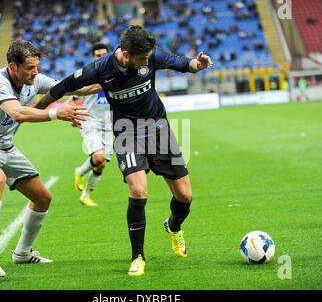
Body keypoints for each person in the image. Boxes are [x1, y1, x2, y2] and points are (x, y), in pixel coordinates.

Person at [34, 25, 213, 276]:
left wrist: (198, 64)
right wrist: (38, 109)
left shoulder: (150, 56)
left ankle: (173, 226)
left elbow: (182, 64)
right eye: (142, 59)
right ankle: (138, 256)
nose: (147, 62)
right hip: (126, 132)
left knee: (185, 196)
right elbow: (63, 86)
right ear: (126, 55)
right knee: (138, 190)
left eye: (149, 58)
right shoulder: (100, 68)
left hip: (159, 129)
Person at [0, 40, 93, 278]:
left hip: (5, 147)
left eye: (37, 67)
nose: (36, 72)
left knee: (42, 197)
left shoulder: (35, 80)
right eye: (30, 68)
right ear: (13, 67)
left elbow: (77, 88)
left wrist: (115, 80)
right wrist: (56, 113)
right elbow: (18, 113)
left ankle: (22, 253)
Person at [74, 43, 113, 207]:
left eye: (104, 54)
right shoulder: (88, 73)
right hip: (90, 120)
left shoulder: (116, 73)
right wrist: (72, 112)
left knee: (101, 163)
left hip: (109, 123)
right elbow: (74, 94)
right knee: (99, 157)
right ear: (93, 57)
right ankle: (80, 172)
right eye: (98, 55)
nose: (101, 57)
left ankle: (85, 195)